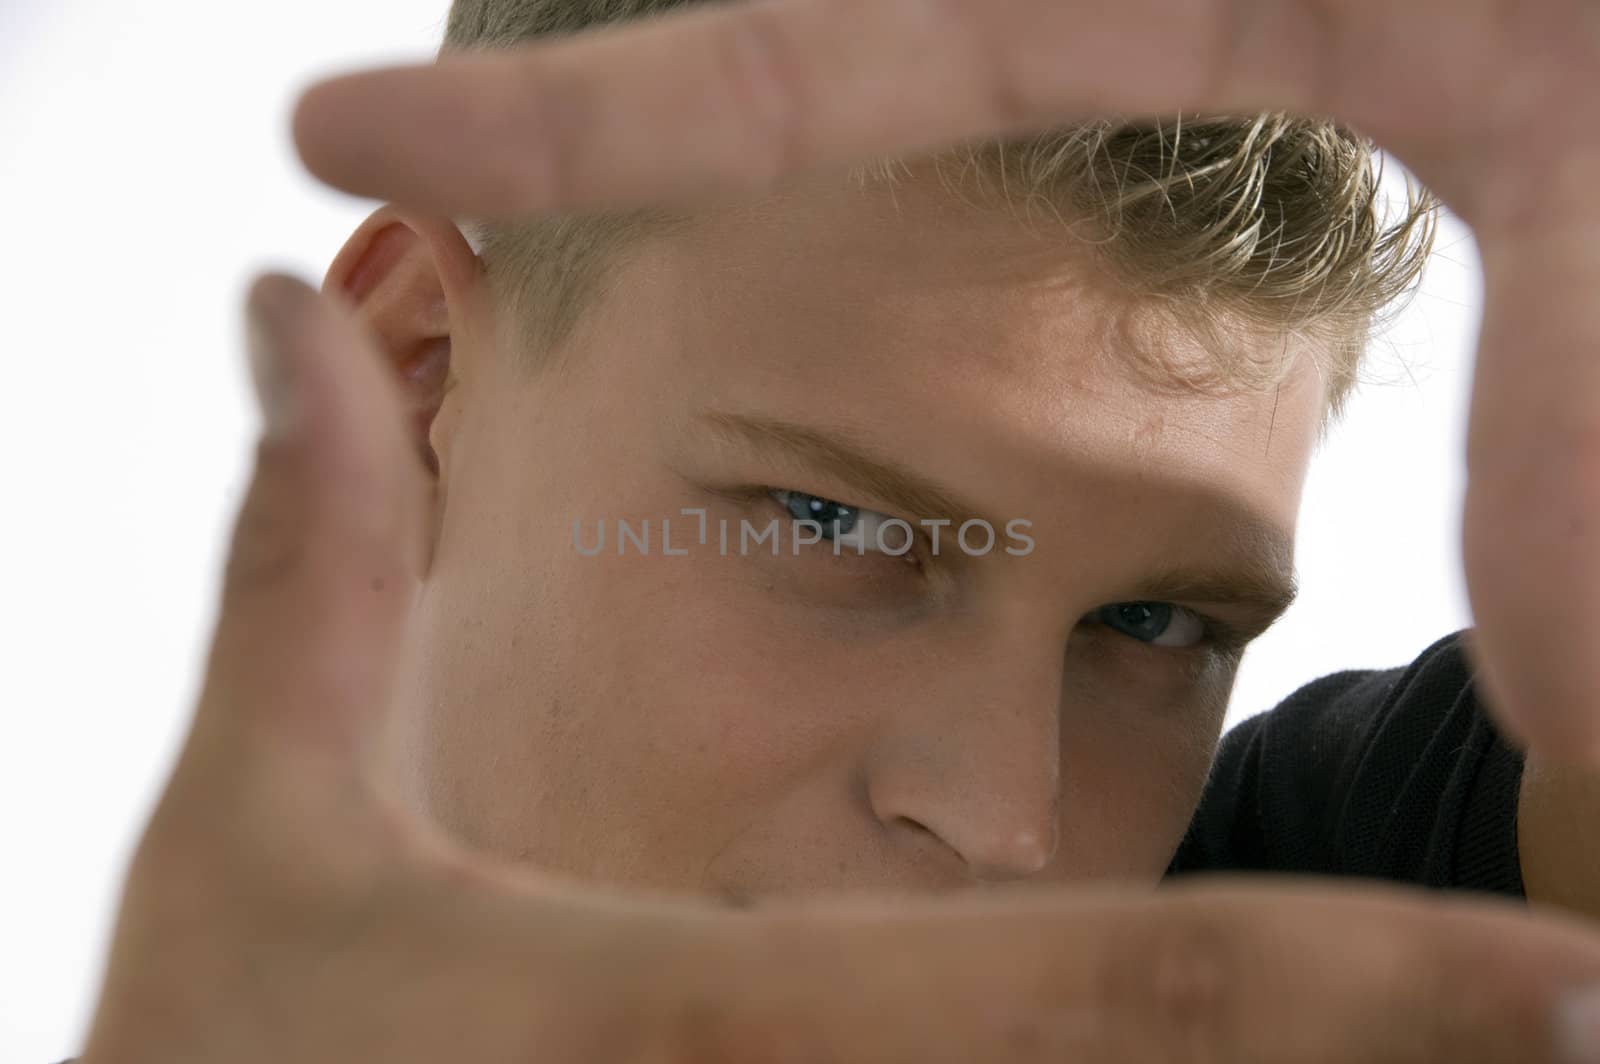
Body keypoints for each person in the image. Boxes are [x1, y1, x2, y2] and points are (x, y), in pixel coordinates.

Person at [67, 0, 1600, 1061]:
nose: (1015, 825)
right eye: (837, 521)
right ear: (423, 381)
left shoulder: (1285, 962)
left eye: (1156, 624)